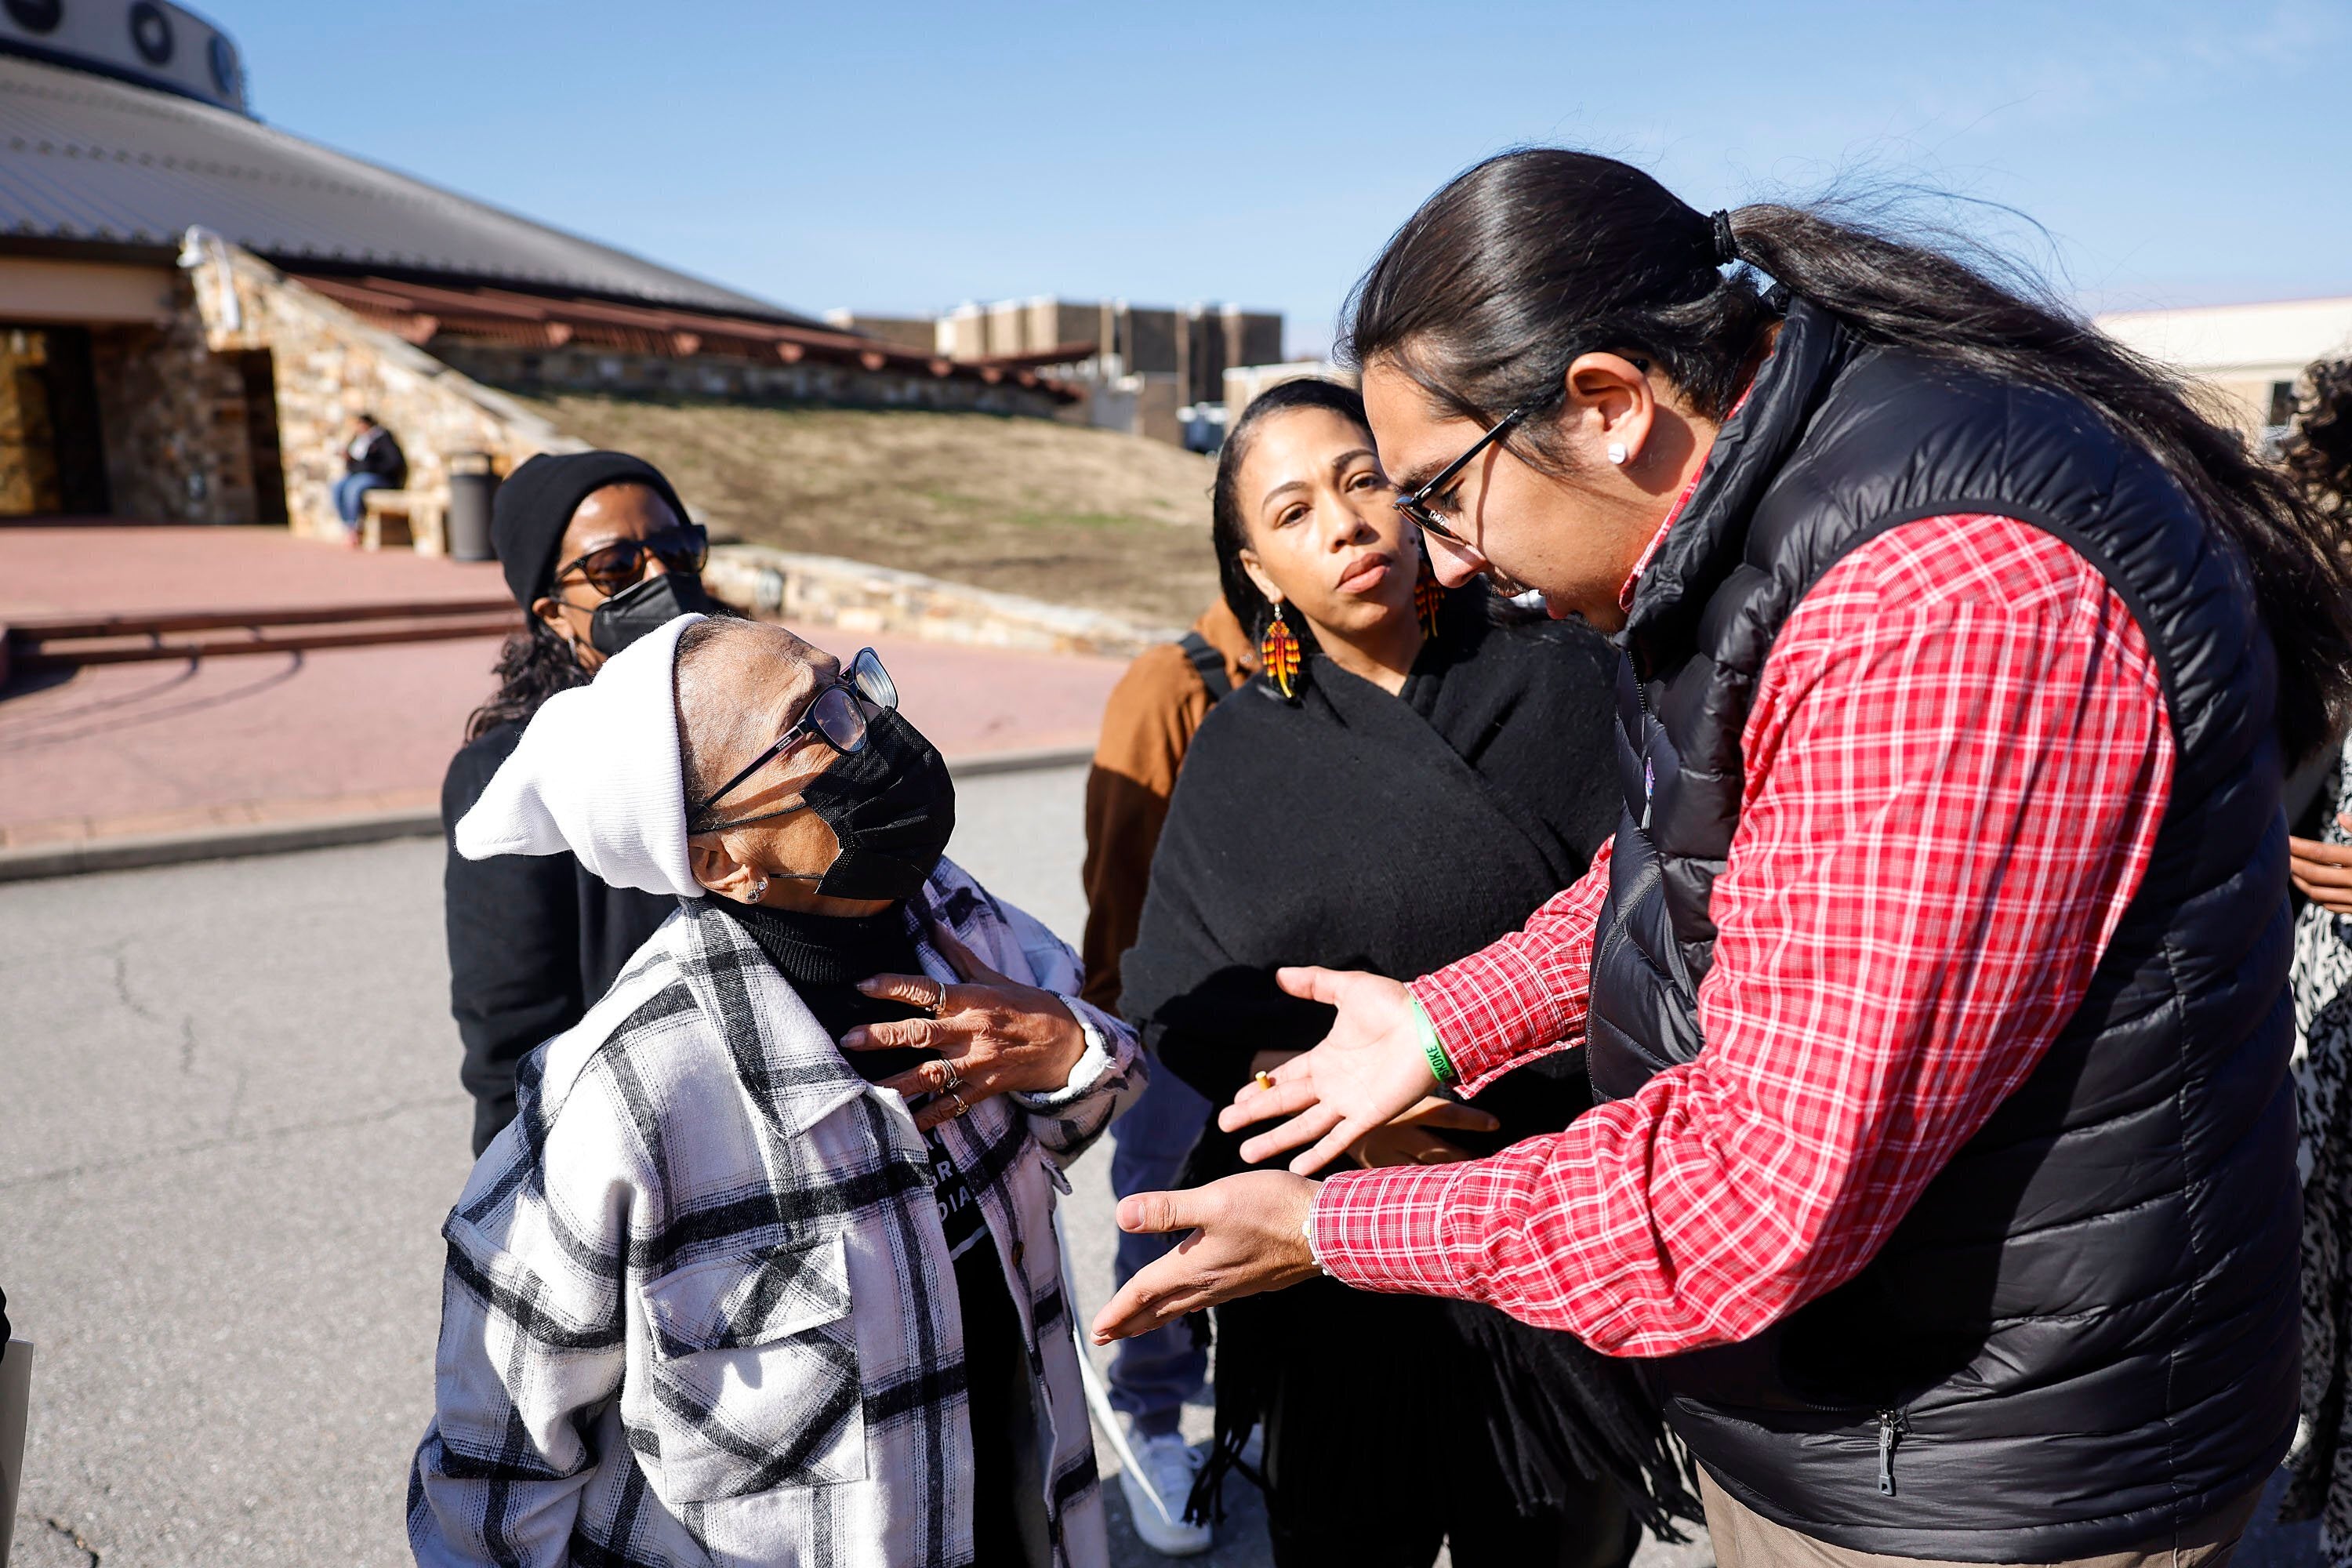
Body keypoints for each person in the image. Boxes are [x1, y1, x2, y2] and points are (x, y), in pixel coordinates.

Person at [1096, 148, 2352, 1568]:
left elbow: (1746, 1195)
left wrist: (1337, 1230)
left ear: (1612, 405)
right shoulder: (1771, 519)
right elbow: (1701, 863)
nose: (1437, 556)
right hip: (1874, 1400)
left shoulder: (1934, 604)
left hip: (1982, 1470)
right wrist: (1452, 1022)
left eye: (1438, 492)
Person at [411, 612, 1144, 1566]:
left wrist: (1068, 1047)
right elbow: (490, 1486)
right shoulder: (627, 1094)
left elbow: (1071, 1117)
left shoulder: (951, 915)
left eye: (851, 685)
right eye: (813, 725)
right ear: (722, 858)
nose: (868, 728)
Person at [1118, 377, 1686, 1568]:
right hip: (1332, 1258)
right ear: (1261, 571)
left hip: (1551, 1233)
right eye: (1293, 512)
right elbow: (1181, 996)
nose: (1344, 523)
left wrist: (1469, 1065)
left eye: (1362, 478)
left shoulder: (1570, 675)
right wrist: (1330, 1097)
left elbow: (1659, 922)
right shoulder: (1238, 751)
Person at [442, 449, 721, 1154]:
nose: (663, 578)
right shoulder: (511, 777)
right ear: (555, 613)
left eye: (679, 551)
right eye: (616, 568)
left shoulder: (767, 719)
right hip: (653, 1154)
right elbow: (511, 1042)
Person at [1079, 593, 1254, 1555]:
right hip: (1180, 1023)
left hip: (1307, 1022)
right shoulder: (1173, 680)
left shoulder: (1359, 657)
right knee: (1165, 1220)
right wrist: (1112, 1027)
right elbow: (1118, 870)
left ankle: (1264, 1402)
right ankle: (1151, 1422)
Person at [332, 410, 405, 540]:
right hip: (358, 474)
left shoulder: (382, 438)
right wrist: (349, 459)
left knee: (354, 487)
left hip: (380, 477)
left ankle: (355, 525)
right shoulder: (358, 439)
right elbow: (355, 464)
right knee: (337, 486)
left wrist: (371, 467)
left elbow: (394, 462)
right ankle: (348, 524)